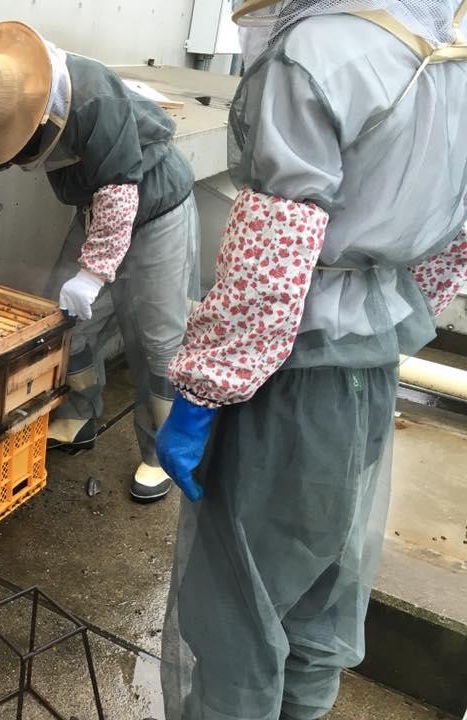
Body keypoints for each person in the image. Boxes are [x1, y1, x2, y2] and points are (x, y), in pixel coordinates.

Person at [157, 1, 467, 718]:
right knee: (319, 592)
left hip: (289, 378)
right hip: (371, 363)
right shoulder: (446, 54)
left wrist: (205, 390)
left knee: (237, 607)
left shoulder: (320, 50)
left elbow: (272, 253)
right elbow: (451, 243)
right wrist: (387, 316)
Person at [0, 22, 200, 502]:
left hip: (157, 205)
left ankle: (161, 452)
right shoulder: (0, 99)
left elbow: (120, 190)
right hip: (98, 209)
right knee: (67, 323)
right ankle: (79, 415)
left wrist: (93, 272)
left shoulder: (95, 96)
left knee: (161, 338)